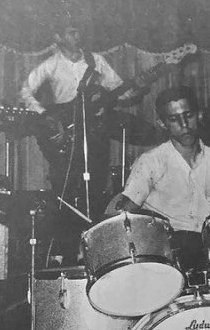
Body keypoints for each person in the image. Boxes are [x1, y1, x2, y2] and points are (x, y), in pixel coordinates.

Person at [19, 17, 147, 262]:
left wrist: (139, 88)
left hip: (94, 132)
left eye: (78, 31)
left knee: (97, 184)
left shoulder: (95, 61)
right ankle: (66, 250)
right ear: (58, 38)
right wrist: (46, 115)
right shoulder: (51, 64)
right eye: (71, 32)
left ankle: (96, 247)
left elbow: (118, 90)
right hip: (64, 134)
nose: (77, 35)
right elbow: (25, 91)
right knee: (65, 186)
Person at [114, 86, 210, 271]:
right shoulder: (151, 162)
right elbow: (125, 212)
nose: (184, 124)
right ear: (163, 124)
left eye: (188, 115)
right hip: (166, 255)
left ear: (199, 116)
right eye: (174, 119)